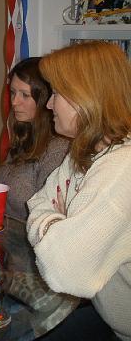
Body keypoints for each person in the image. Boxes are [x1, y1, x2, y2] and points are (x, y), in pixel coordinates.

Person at [27, 41, 131, 340]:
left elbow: (62, 270)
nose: (48, 105)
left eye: (57, 93)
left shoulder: (121, 168)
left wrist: (51, 226)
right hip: (106, 315)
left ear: (84, 97)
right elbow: (39, 201)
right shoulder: (85, 150)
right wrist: (57, 225)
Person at [0, 57, 69, 221]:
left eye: (25, 95)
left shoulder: (58, 148)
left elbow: (49, 214)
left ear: (46, 99)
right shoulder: (24, 134)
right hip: (6, 233)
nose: (14, 102)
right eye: (13, 93)